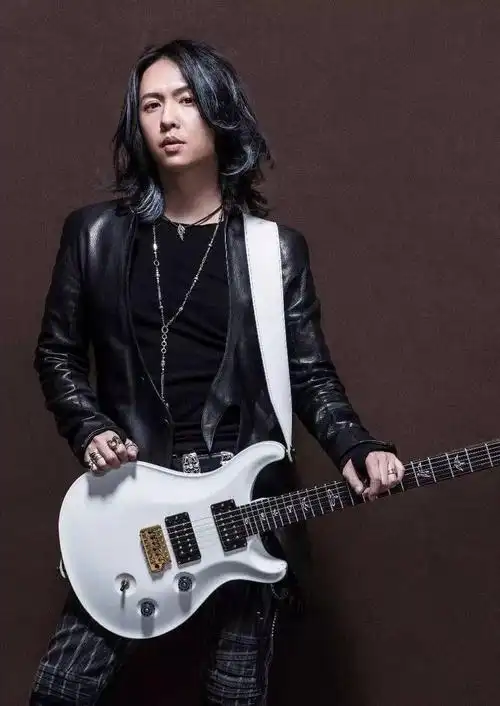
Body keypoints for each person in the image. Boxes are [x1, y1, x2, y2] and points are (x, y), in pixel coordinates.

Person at [29, 38, 405, 706]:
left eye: (186, 100)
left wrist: (357, 446)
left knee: (234, 696)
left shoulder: (274, 251)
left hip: (243, 508)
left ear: (220, 113)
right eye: (151, 105)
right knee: (62, 689)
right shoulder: (93, 235)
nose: (168, 119)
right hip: (134, 508)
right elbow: (56, 352)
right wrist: (89, 427)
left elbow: (310, 374)